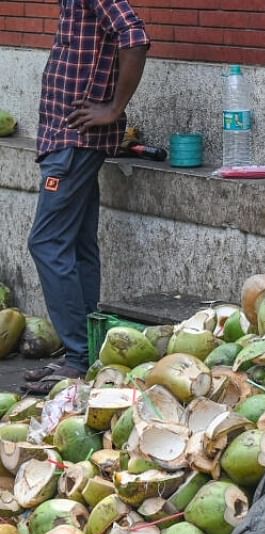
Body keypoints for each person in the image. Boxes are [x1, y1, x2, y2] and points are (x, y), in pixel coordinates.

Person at [22, 0, 149, 394]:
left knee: (45, 242)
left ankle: (78, 356)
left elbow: (135, 36)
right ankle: (86, 354)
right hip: (70, 141)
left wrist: (113, 108)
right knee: (76, 245)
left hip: (73, 142)